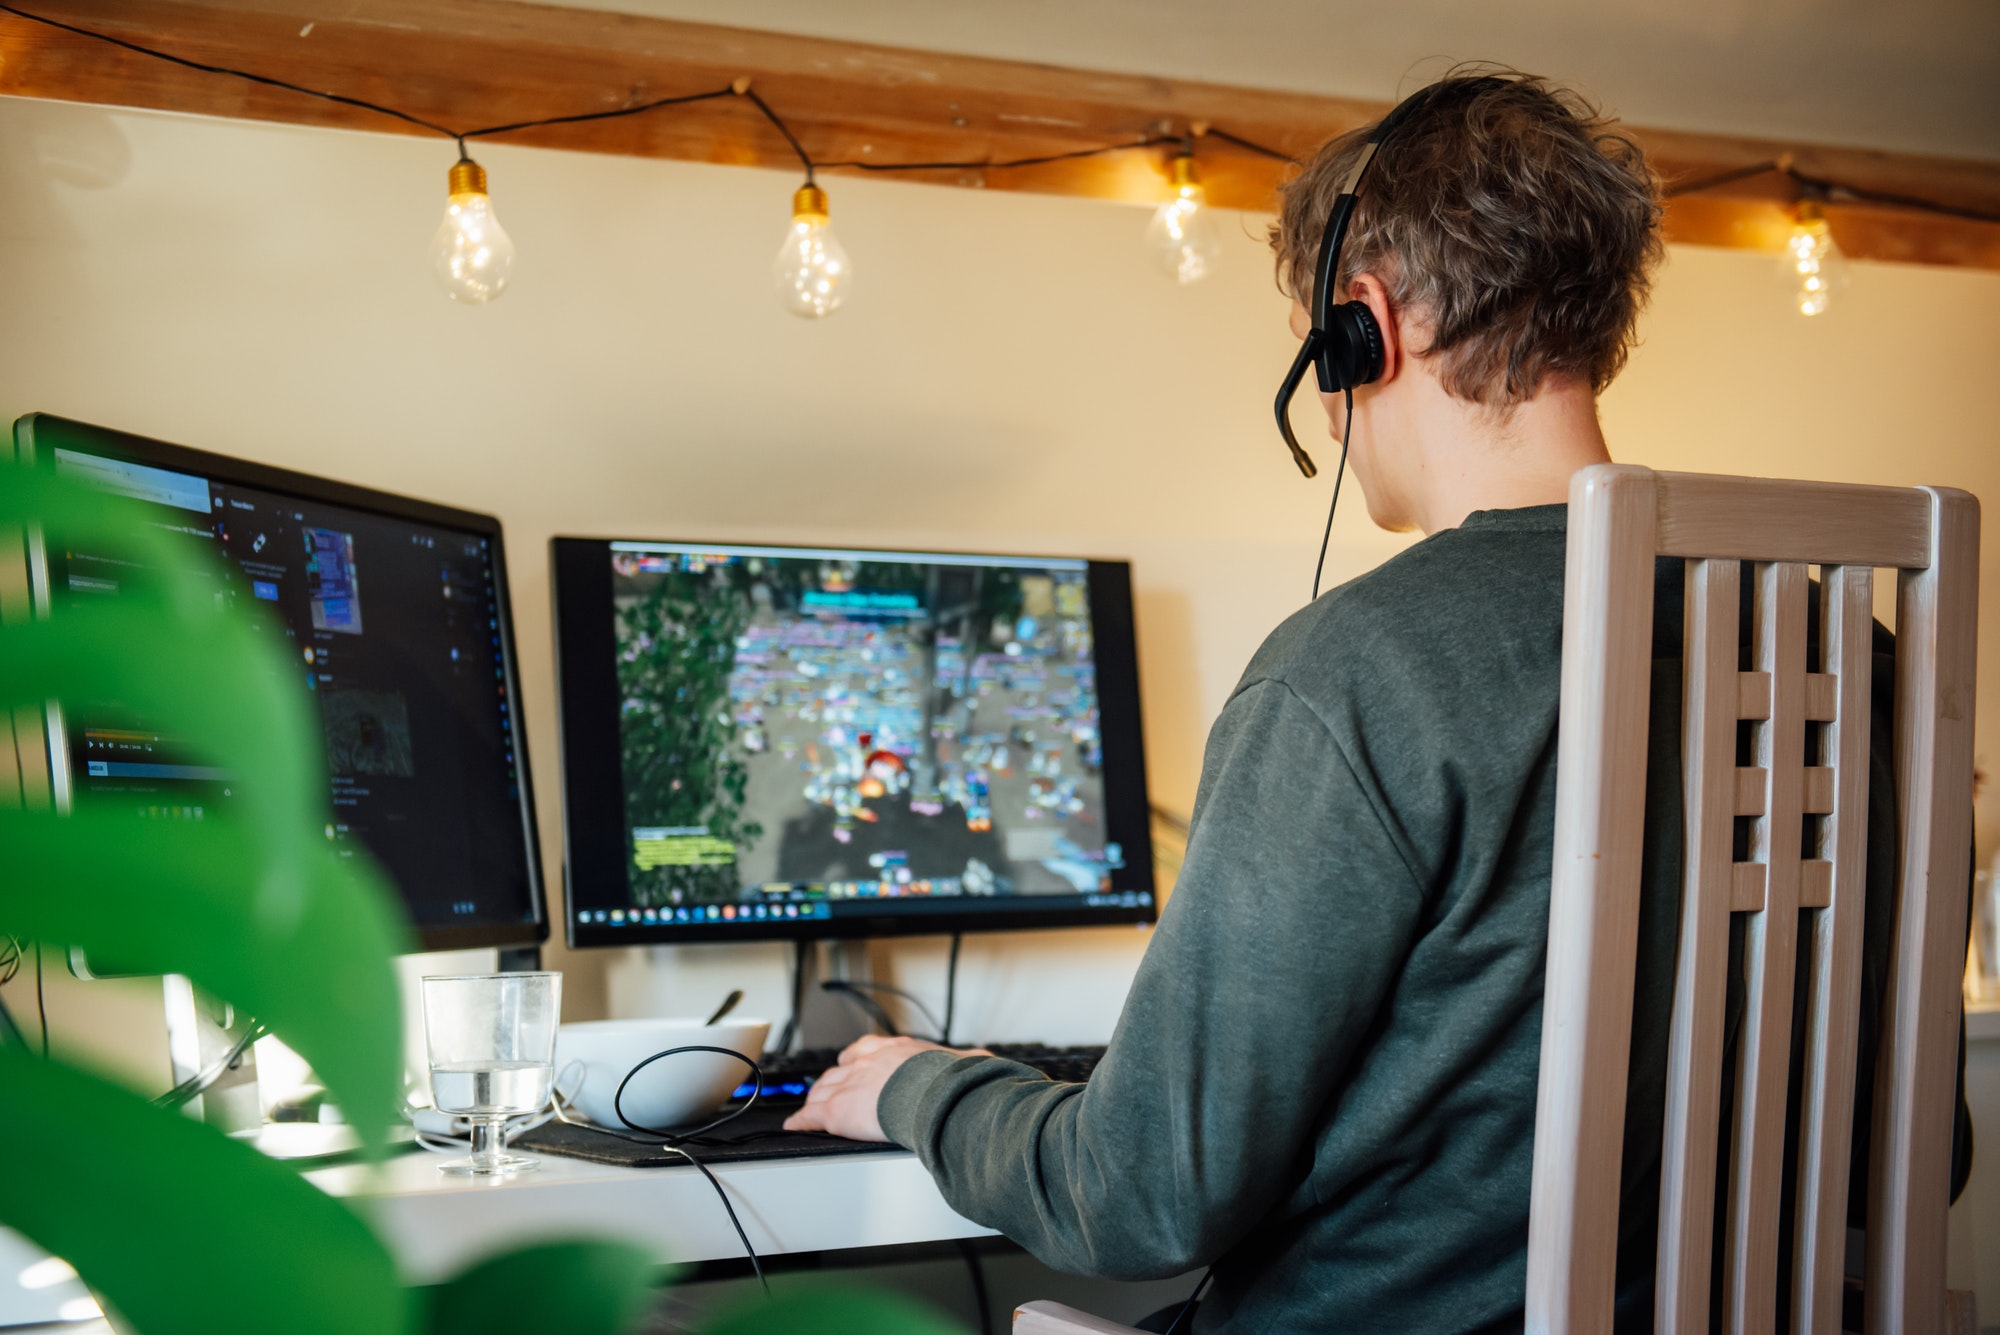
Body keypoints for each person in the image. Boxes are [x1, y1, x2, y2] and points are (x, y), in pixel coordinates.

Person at [783, 71, 1947, 1331]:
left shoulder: (1362, 670)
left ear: (1362, 323)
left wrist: (916, 1087)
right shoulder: (1841, 647)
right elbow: (1928, 1154)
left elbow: (1132, 1203)